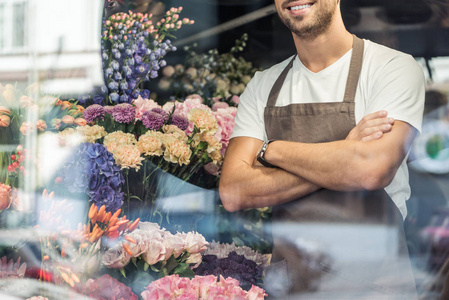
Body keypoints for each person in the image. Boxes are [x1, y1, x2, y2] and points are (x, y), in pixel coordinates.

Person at [219, 0, 425, 299]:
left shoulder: (391, 67)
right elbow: (234, 191)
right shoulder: (264, 85)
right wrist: (345, 153)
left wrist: (271, 151)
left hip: (375, 283)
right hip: (293, 282)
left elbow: (372, 171)